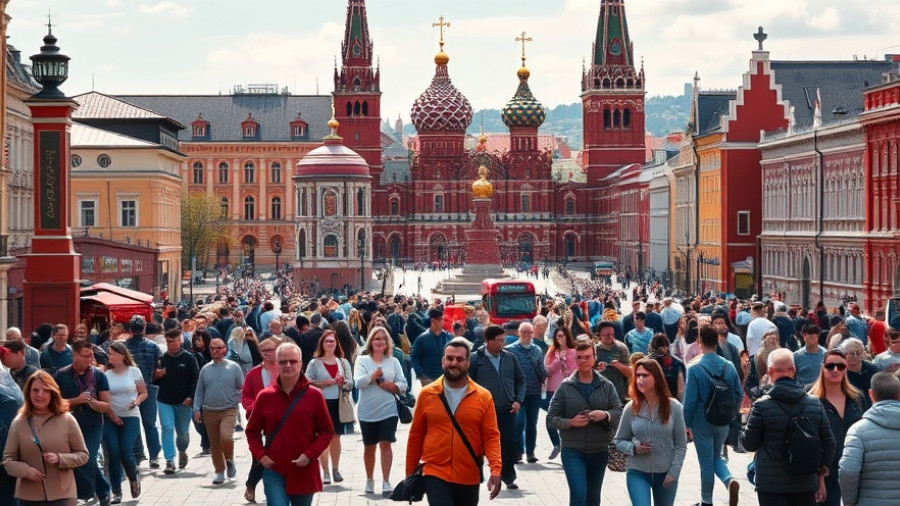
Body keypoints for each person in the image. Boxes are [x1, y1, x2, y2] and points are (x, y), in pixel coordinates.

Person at [406, 337, 503, 505]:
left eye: (459, 359)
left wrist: (495, 468)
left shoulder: (483, 396)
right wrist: (410, 474)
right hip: (434, 471)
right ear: (443, 361)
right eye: (450, 358)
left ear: (468, 362)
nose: (454, 363)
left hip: (468, 473)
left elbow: (491, 436)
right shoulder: (427, 394)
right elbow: (416, 436)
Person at [740, 348, 836, 505]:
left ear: (770, 372)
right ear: (793, 370)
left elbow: (749, 444)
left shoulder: (761, 406)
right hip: (805, 481)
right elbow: (830, 443)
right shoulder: (814, 404)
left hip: (771, 484)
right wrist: (819, 469)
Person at [245, 342, 335, 506]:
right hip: (274, 469)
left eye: (293, 361)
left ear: (301, 364)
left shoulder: (314, 395)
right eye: (283, 361)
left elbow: (327, 431)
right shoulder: (265, 396)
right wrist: (261, 456)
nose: (288, 365)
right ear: (276, 364)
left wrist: (310, 454)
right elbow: (252, 431)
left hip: (304, 471)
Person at [548, 339, 624, 506]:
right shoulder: (565, 386)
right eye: (580, 357)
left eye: (587, 357)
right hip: (573, 449)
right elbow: (551, 418)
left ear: (594, 358)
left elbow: (618, 412)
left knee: (593, 497)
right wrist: (571, 422)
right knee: (578, 492)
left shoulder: (606, 385)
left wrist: (605, 414)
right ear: (575, 359)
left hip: (599, 449)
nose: (583, 361)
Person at [2, 371, 89, 506]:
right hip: (29, 496)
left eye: (46, 391)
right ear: (28, 393)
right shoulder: (18, 423)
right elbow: (7, 461)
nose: (40, 395)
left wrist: (60, 458)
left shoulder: (67, 420)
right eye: (35, 390)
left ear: (52, 393)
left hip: (63, 495)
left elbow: (83, 455)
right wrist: (25, 471)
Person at [683, 326, 743, 506]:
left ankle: (706, 501)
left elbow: (690, 401)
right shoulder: (729, 366)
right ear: (717, 342)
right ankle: (728, 479)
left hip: (702, 421)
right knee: (716, 456)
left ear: (699, 342)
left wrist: (686, 424)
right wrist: (732, 415)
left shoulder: (694, 368)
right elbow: (739, 394)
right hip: (723, 420)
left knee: (706, 463)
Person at [614, 359, 687, 506]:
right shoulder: (631, 407)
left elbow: (681, 444)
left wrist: (674, 472)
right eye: (638, 375)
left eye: (645, 375)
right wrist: (633, 448)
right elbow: (619, 440)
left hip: (666, 473)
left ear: (656, 377)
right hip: (637, 471)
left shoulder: (674, 407)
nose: (640, 380)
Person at [808, 348, 870, 506]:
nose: (835, 370)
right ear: (822, 367)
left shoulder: (857, 398)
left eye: (840, 366)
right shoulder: (811, 399)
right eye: (830, 366)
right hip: (824, 470)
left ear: (846, 368)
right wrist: (819, 477)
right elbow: (810, 442)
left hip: (854, 468)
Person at [55, 341, 112, 506]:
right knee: (77, 460)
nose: (90, 358)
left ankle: (90, 495)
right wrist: (77, 401)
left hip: (92, 425)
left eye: (91, 355)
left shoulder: (98, 375)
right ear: (75, 356)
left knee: (87, 458)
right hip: (68, 425)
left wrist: (92, 403)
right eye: (86, 355)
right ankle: (101, 492)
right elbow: (53, 404)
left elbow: (107, 404)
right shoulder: (61, 375)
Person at [468, 325, 525, 489]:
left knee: (508, 443)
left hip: (507, 408)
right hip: (483, 410)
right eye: (500, 340)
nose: (503, 343)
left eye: (503, 339)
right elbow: (467, 384)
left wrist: (518, 400)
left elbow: (521, 380)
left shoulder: (510, 358)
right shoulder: (475, 359)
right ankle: (478, 474)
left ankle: (508, 476)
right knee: (481, 444)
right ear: (489, 341)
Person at [354, 326, 407, 496]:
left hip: (388, 409)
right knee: (369, 446)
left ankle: (386, 481)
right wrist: (372, 376)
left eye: (383, 339)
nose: (380, 342)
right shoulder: (362, 361)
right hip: (367, 411)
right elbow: (358, 384)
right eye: (377, 338)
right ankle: (370, 479)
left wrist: (394, 386)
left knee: (386, 443)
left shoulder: (393, 362)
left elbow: (403, 384)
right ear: (371, 341)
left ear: (387, 343)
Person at [839, 371, 900, 506]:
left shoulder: (858, 430)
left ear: (871, 394)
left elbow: (848, 470)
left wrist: (849, 501)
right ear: (899, 395)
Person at [193, 337, 244, 485]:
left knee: (226, 437)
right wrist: (197, 408)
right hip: (210, 411)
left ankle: (230, 460)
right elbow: (199, 391)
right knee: (215, 445)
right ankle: (220, 472)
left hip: (228, 410)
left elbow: (241, 387)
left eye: (218, 348)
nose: (215, 351)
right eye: (212, 348)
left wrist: (235, 401)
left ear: (224, 349)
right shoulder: (205, 369)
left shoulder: (234, 367)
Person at [305, 330, 353, 485]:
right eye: (327, 341)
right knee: (322, 438)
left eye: (332, 341)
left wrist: (342, 382)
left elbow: (351, 385)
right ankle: (325, 471)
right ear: (322, 344)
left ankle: (335, 469)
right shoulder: (315, 362)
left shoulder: (343, 362)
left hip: (338, 403)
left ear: (336, 344)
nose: (330, 344)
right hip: (320, 403)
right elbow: (307, 383)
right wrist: (326, 383)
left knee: (336, 437)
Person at [103, 342, 146, 503]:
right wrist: (112, 415)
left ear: (123, 355)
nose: (111, 357)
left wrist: (136, 402)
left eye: (114, 354)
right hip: (111, 417)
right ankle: (116, 491)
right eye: (109, 354)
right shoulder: (106, 374)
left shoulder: (134, 371)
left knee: (126, 452)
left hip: (130, 416)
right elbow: (103, 397)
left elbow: (143, 392)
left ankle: (133, 477)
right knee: (113, 453)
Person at [241, 336, 281, 503]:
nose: (267, 353)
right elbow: (246, 397)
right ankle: (251, 485)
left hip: (282, 420)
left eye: (271, 350)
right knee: (259, 455)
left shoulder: (285, 369)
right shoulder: (253, 374)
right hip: (259, 420)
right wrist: (255, 408)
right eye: (264, 351)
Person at [155, 329, 200, 475]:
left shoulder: (189, 358)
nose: (171, 344)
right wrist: (156, 375)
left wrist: (191, 397)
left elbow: (195, 379)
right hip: (164, 400)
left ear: (180, 341)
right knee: (167, 428)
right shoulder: (163, 358)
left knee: (183, 434)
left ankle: (182, 451)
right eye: (168, 342)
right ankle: (169, 460)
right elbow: (153, 380)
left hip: (183, 402)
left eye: (174, 341)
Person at [123, 315, 162, 469]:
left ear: (130, 329)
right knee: (150, 424)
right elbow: (156, 369)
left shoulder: (124, 347)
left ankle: (138, 454)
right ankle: (154, 457)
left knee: (133, 423)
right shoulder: (153, 347)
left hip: (128, 389)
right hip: (149, 388)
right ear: (144, 327)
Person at [505, 321, 546, 463]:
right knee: (519, 422)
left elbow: (542, 371)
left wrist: (543, 370)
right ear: (519, 333)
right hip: (518, 394)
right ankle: (518, 452)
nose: (527, 335)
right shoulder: (510, 350)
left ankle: (530, 452)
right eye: (524, 332)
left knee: (532, 423)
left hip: (534, 391)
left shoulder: (537, 350)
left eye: (530, 333)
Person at [544, 325, 577, 459]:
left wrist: (566, 366)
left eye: (563, 336)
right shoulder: (552, 353)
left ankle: (567, 450)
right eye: (558, 336)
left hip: (568, 390)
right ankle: (557, 444)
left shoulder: (573, 352)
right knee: (550, 420)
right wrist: (557, 362)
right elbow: (546, 371)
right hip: (552, 389)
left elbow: (575, 372)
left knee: (566, 422)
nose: (560, 339)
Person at [410, 308, 453, 386]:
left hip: (446, 377)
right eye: (440, 319)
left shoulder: (448, 337)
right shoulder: (422, 339)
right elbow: (414, 358)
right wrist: (421, 376)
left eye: (442, 319)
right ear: (433, 321)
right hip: (429, 378)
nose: (443, 321)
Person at [594, 321, 633, 403]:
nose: (610, 337)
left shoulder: (621, 348)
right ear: (599, 335)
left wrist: (617, 364)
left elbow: (630, 373)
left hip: (619, 393)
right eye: (607, 335)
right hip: (600, 393)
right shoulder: (594, 349)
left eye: (612, 334)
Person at [648, 334, 685, 402]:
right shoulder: (677, 363)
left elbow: (681, 391)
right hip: (671, 401)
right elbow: (681, 391)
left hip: (655, 402)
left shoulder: (647, 363)